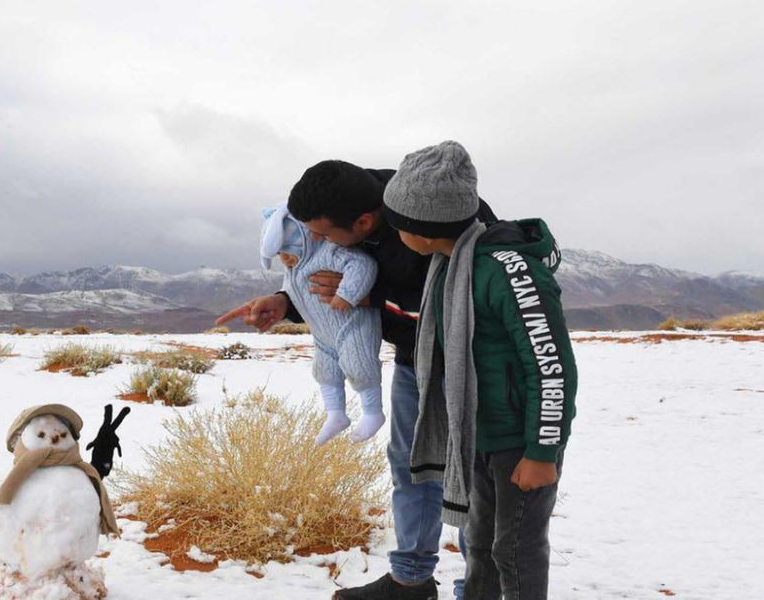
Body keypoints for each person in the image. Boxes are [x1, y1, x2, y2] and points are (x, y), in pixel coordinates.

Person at [216, 160, 496, 600]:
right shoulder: (354, 198)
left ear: (363, 222)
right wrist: (286, 302)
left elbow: (462, 304)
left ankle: (482, 589)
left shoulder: (430, 215)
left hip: (472, 363)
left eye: (324, 234)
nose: (318, 242)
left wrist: (370, 297)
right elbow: (327, 268)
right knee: (411, 469)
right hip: (413, 361)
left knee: (472, 478)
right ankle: (410, 581)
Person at [383, 140, 578, 600]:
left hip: (518, 442)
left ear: (422, 225)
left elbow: (551, 366)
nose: (394, 233)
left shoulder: (506, 272)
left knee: (515, 550)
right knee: (483, 546)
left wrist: (542, 451)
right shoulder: (452, 265)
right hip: (479, 434)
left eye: (397, 222)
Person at [259, 203, 385, 444]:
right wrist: (280, 300)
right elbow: (294, 291)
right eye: (280, 254)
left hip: (352, 325)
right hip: (323, 332)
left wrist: (347, 294)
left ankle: (373, 412)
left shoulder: (328, 253)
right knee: (324, 370)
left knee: (359, 366)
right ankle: (336, 413)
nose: (285, 258)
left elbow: (362, 265)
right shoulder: (293, 269)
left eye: (289, 250)